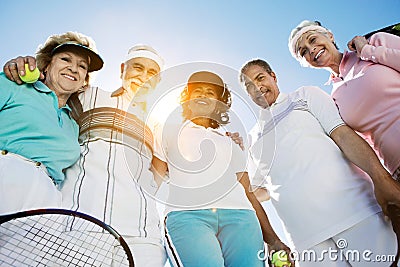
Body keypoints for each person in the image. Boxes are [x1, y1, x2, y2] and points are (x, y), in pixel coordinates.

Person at [3, 45, 167, 267]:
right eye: (137, 67)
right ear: (122, 69)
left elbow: (161, 167)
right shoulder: (87, 95)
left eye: (152, 73)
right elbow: (55, 84)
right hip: (80, 227)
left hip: (143, 235)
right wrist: (23, 64)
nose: (144, 76)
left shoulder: (161, 122)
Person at [240, 59, 399, 266]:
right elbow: (261, 191)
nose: (257, 87)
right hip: (305, 239)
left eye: (260, 78)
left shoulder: (304, 96)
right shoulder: (252, 138)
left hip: (356, 213)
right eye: (250, 86)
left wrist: (382, 179)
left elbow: (343, 135)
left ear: (273, 77)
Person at [151, 71, 292, 267]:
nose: (203, 95)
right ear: (187, 99)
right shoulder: (167, 130)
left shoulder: (230, 141)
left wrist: (274, 240)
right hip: (187, 216)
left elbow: (248, 192)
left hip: (242, 218)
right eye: (197, 91)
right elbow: (152, 182)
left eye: (210, 92)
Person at [0, 31, 103, 215]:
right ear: (46, 65)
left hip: (45, 203)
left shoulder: (73, 124)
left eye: (82, 66)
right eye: (65, 59)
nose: (73, 68)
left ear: (84, 80)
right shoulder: (13, 84)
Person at [288, 20, 400, 182]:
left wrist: (367, 51)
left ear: (330, 36)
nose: (311, 49)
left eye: (312, 39)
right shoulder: (334, 97)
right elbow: (363, 143)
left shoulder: (375, 42)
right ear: (305, 63)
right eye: (303, 51)